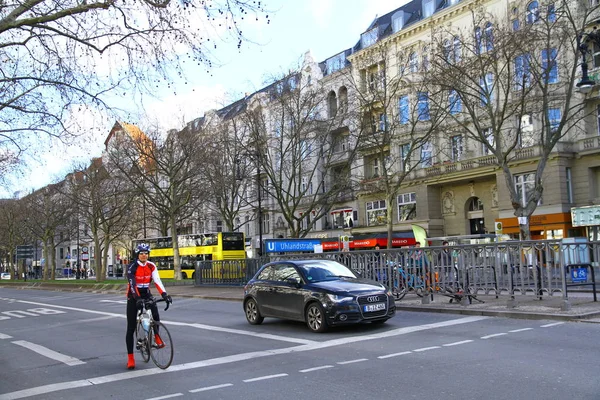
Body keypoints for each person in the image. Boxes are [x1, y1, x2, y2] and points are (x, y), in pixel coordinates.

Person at [125, 243, 172, 370]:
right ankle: (130, 358)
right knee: (130, 327)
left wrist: (165, 294)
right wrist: (138, 299)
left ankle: (157, 337)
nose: (144, 255)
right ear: (137, 255)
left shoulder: (151, 266)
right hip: (134, 295)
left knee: (155, 314)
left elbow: (157, 280)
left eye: (146, 253)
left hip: (146, 293)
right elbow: (132, 284)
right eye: (141, 253)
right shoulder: (132, 267)